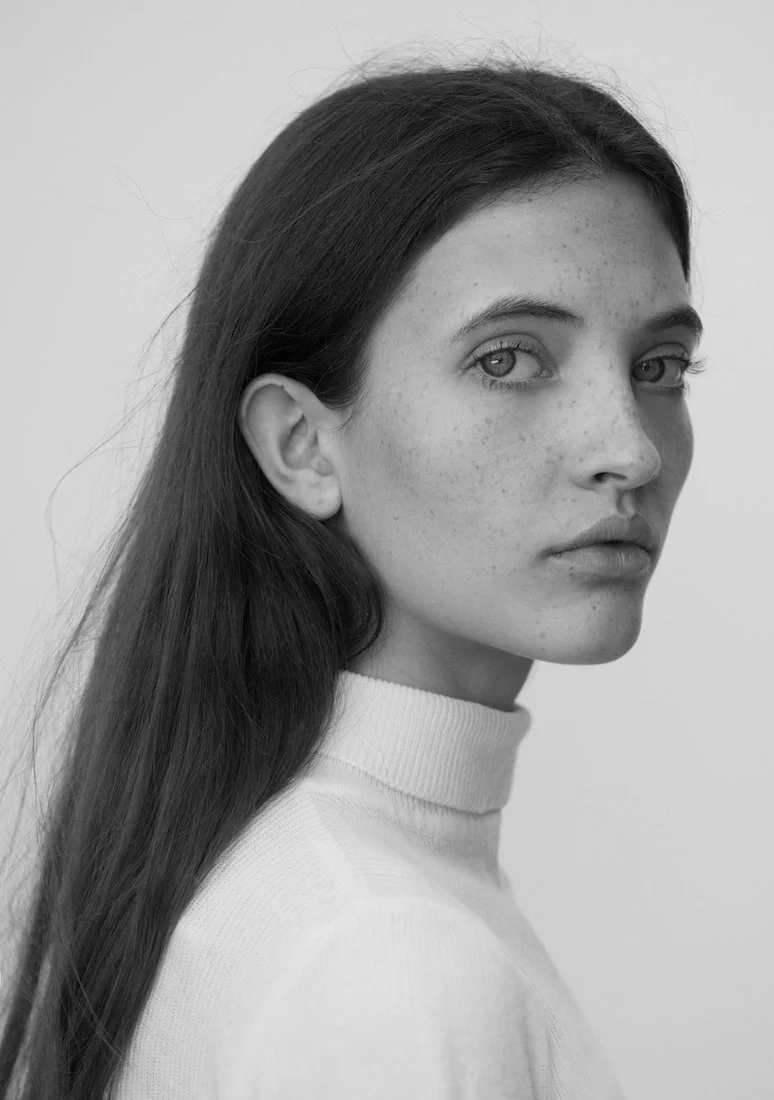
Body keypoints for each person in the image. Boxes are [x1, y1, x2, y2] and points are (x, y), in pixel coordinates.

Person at [0, 48, 708, 1099]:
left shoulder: (304, 878)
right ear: (302, 444)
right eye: (509, 358)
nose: (632, 449)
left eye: (657, 368)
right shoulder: (393, 960)